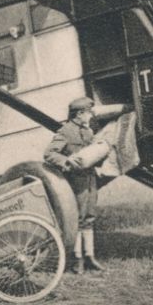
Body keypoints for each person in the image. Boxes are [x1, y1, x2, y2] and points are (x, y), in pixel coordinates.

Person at [44, 96, 107, 274]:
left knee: (90, 217)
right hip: (75, 181)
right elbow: (49, 154)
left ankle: (90, 256)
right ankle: (77, 258)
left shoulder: (88, 132)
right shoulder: (65, 131)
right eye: (88, 113)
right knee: (78, 220)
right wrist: (66, 161)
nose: (90, 116)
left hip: (90, 179)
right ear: (79, 114)